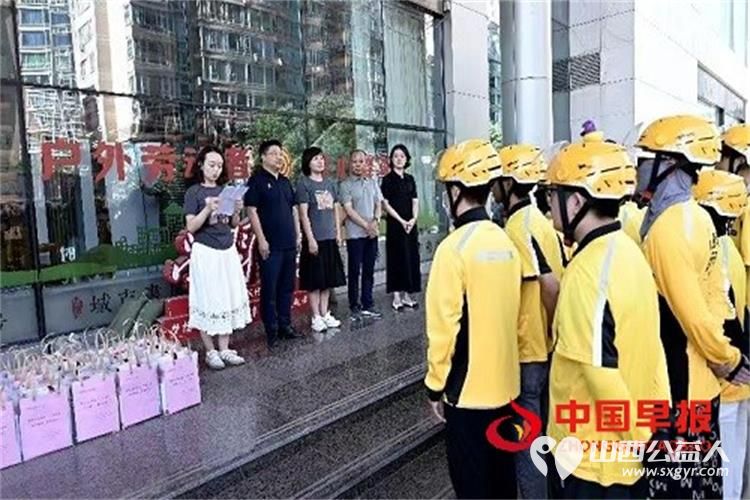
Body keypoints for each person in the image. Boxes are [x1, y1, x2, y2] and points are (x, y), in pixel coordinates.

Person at [545, 139, 670, 498]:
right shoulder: (629, 251)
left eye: (553, 193)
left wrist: (640, 441)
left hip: (591, 461)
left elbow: (601, 376)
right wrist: (654, 427)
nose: (548, 203)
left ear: (575, 202)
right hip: (625, 452)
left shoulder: (588, 271)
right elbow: (654, 351)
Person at [636, 114, 750, 499]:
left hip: (677, 389)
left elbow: (692, 315)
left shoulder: (667, 228)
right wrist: (727, 354)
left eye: (647, 158)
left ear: (669, 164)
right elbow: (719, 298)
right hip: (702, 387)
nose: (639, 167)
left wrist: (727, 359)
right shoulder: (698, 217)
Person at [425, 139, 522, 499]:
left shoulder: (453, 249)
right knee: (503, 485)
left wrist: (435, 386)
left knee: (473, 488)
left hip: (467, 395)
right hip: (507, 388)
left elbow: (443, 329)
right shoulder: (506, 242)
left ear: (455, 191)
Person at [493, 143, 563, 499]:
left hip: (529, 350)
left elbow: (549, 285)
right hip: (544, 347)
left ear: (509, 183)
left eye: (497, 180)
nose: (492, 187)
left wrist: (550, 328)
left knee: (528, 443)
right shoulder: (539, 219)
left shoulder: (517, 227)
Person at [693, 169, 750, 500]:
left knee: (723, 467)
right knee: (735, 462)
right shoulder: (730, 249)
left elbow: (722, 319)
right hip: (736, 380)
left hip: (723, 379)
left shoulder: (714, 252)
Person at [183, 145, 251, 369]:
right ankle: (210, 351)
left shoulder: (225, 190)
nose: (215, 169)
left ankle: (225, 348)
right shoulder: (193, 192)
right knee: (207, 298)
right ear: (201, 165)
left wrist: (237, 209)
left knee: (226, 297)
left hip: (227, 250)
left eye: (219, 166)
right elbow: (191, 227)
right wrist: (207, 209)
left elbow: (232, 224)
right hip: (206, 251)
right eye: (211, 165)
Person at [244, 139, 302, 347]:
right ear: (263, 157)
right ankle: (272, 329)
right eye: (274, 153)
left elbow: (293, 209)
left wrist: (298, 234)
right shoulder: (257, 181)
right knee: (270, 289)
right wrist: (261, 240)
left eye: (280, 153)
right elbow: (251, 211)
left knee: (287, 287)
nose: (279, 157)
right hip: (270, 245)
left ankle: (286, 325)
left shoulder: (285, 182)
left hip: (289, 243)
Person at [296, 147, 345, 333]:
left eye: (321, 158)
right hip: (315, 239)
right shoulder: (304, 184)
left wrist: (338, 233)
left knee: (328, 280)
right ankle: (315, 316)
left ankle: (325, 313)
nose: (320, 162)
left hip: (329, 238)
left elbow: (336, 209)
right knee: (315, 281)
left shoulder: (330, 183)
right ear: (308, 162)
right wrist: (310, 239)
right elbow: (303, 214)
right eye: (315, 159)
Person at [340, 150, 383, 319]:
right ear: (350, 164)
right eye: (355, 161)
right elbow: (348, 209)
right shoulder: (345, 185)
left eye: (361, 161)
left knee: (369, 271)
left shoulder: (372, 182)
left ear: (366, 163)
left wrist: (376, 221)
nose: (358, 164)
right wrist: (366, 225)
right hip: (355, 235)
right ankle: (354, 306)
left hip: (371, 234)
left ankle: (368, 303)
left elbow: (379, 204)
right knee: (354, 271)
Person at [381, 144, 421, 310]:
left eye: (402, 156)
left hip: (410, 225)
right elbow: (385, 204)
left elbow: (415, 201)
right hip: (396, 225)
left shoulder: (410, 179)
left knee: (410, 257)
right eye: (396, 156)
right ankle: (396, 296)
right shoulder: (387, 179)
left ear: (406, 159)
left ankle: (407, 295)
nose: (399, 159)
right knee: (396, 258)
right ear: (391, 159)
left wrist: (413, 219)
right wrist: (401, 221)